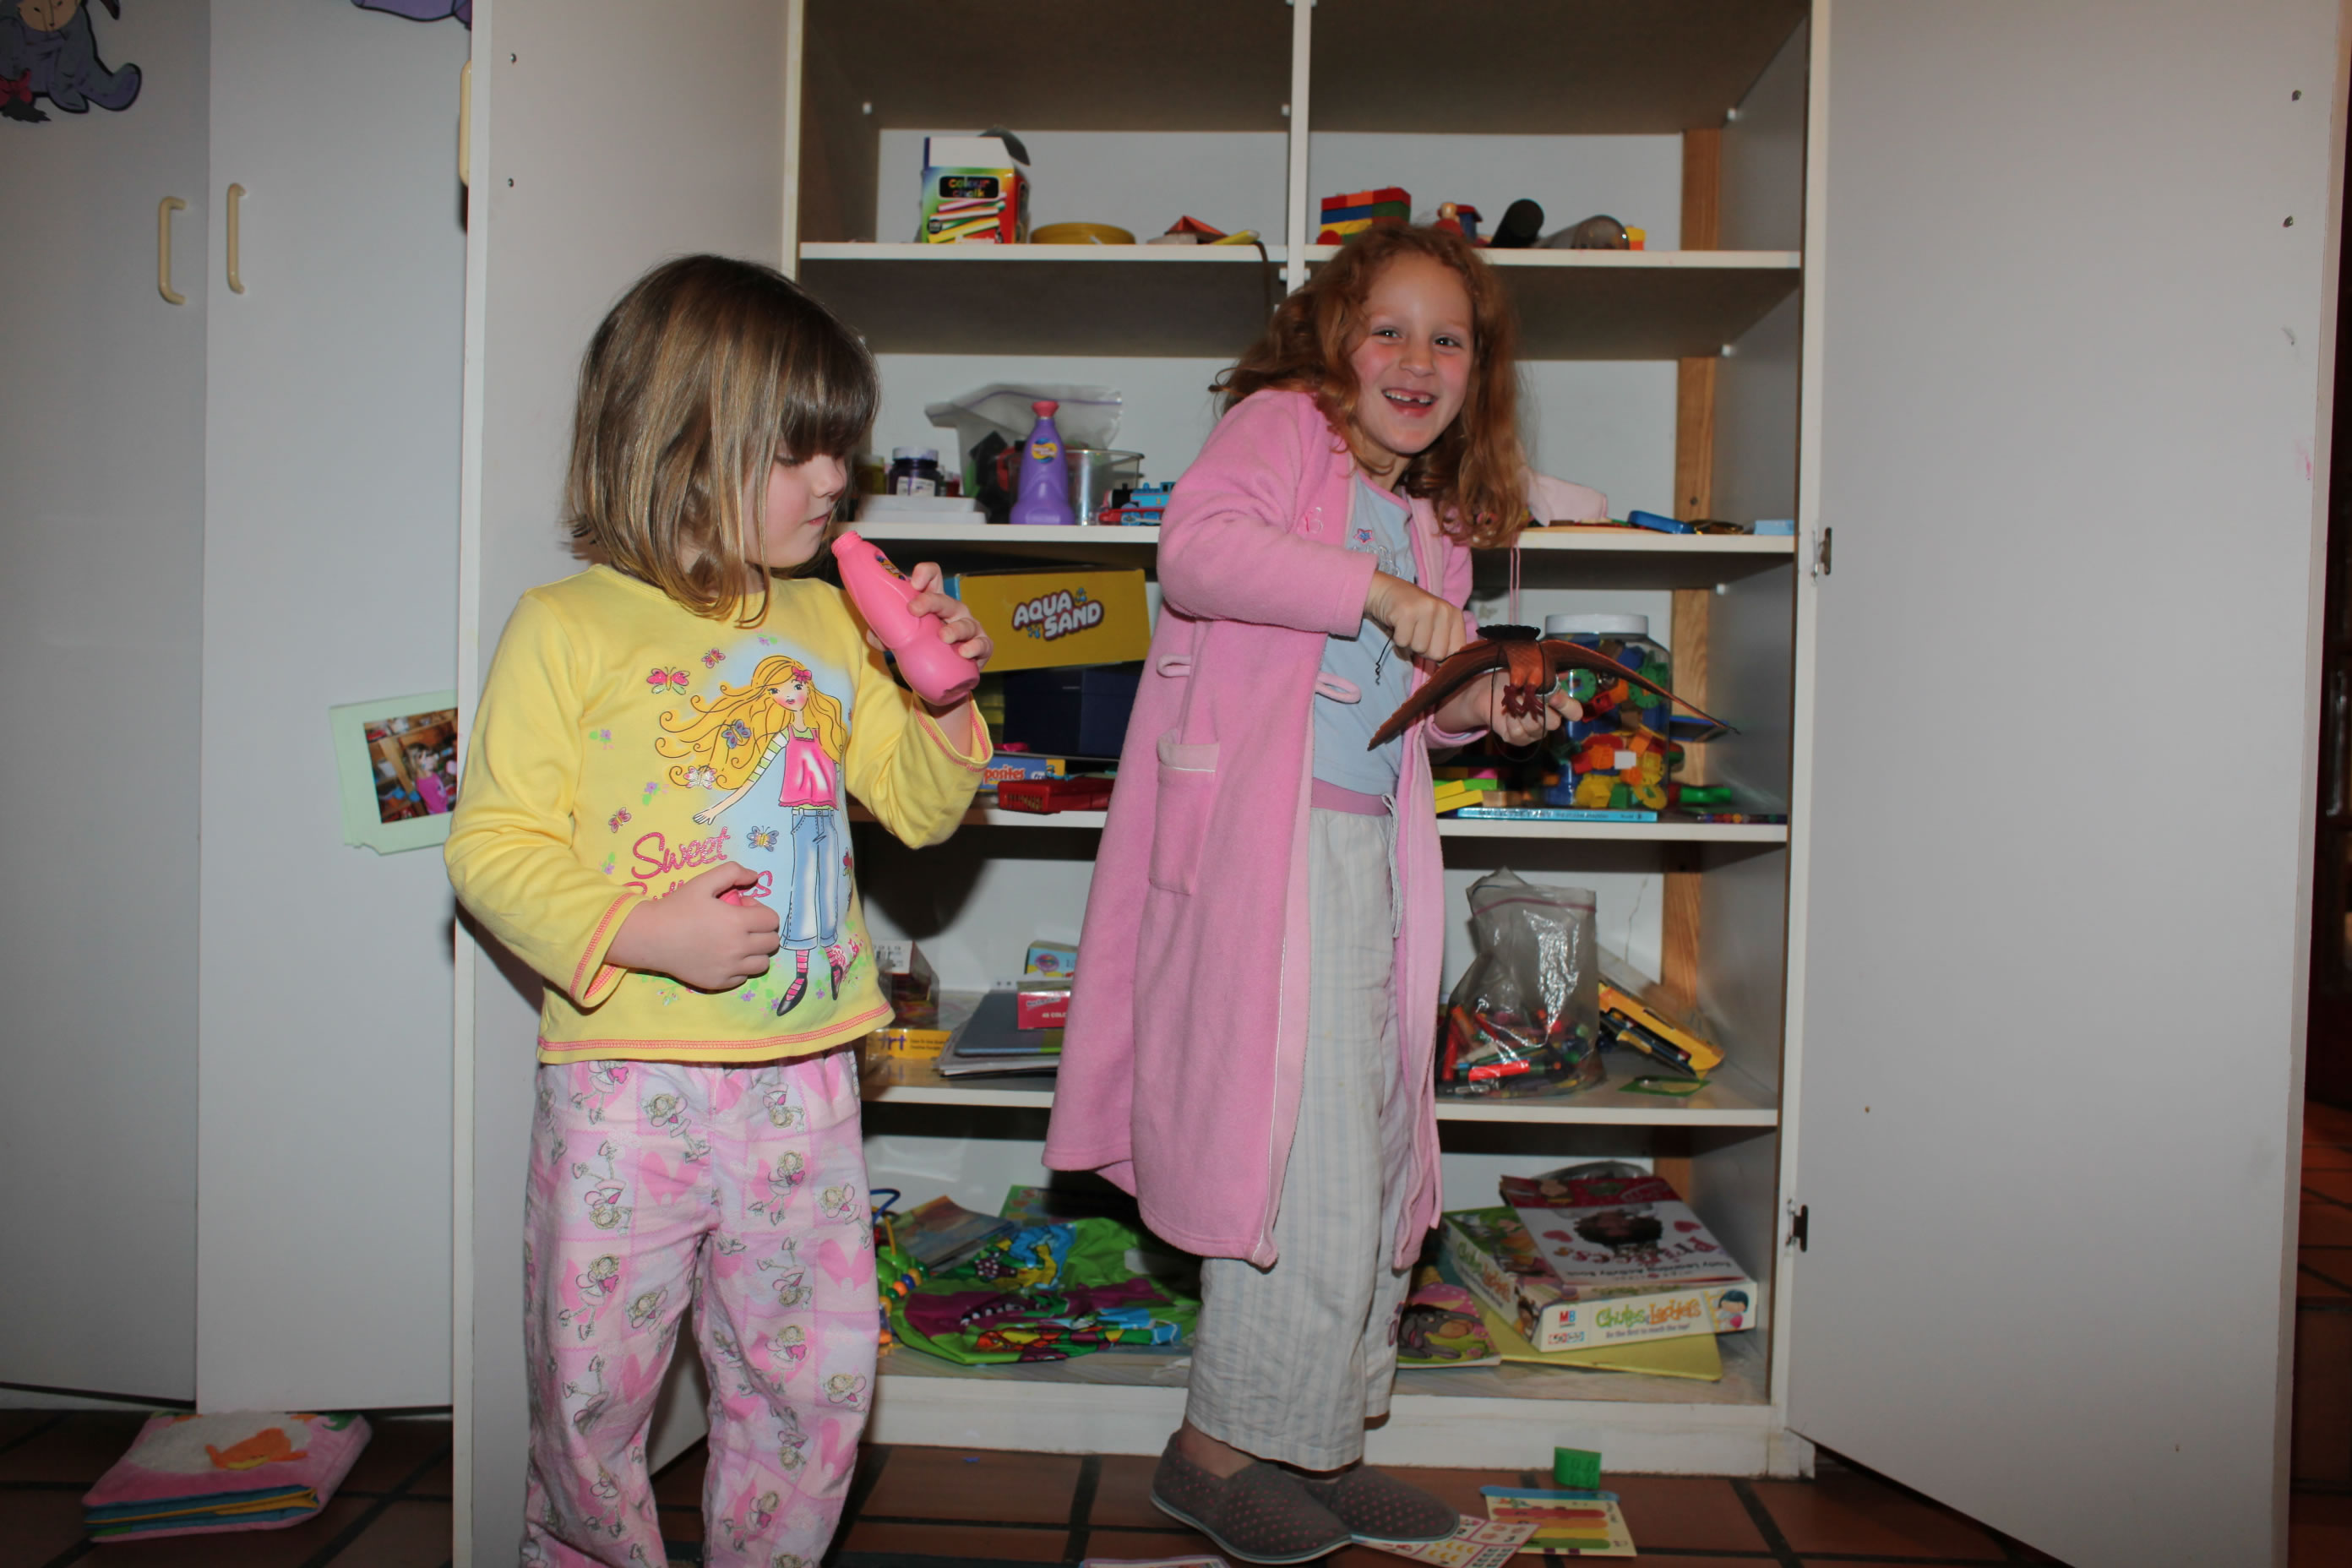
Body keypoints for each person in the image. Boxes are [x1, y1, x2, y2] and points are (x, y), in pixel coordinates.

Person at [1043, 225, 1599, 1565]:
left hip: (1366, 857)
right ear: (1332, 343)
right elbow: (1198, 552)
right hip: (1266, 852)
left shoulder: (1432, 515)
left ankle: (1321, 1442)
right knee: (1297, 1163)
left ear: (1479, 371)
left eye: (1448, 339)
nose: (1417, 359)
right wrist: (1387, 595)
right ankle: (1218, 1454)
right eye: (1387, 329)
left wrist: (1494, 710)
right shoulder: (1285, 430)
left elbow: (1424, 703)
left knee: (1378, 1154)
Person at [445, 255, 994, 1568]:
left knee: (810, 1384)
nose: (835, 480)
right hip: (624, 1087)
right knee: (591, 1395)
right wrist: (645, 933)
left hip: (801, 1080)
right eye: (799, 452)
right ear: (682, 445)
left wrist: (941, 698)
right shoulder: (567, 626)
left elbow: (921, 810)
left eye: (842, 449)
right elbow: (491, 847)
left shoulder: (832, 625)